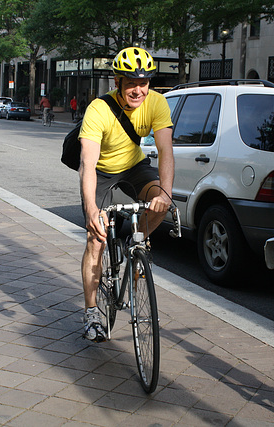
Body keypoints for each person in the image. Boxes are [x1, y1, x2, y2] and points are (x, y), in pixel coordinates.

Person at [78, 47, 174, 342]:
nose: (138, 90)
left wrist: (166, 194)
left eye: (143, 83)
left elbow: (166, 152)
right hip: (103, 172)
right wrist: (92, 208)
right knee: (96, 239)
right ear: (118, 82)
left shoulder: (157, 103)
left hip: (134, 167)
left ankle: (139, 239)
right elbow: (87, 164)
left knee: (159, 199)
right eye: (131, 83)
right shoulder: (99, 109)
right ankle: (92, 312)